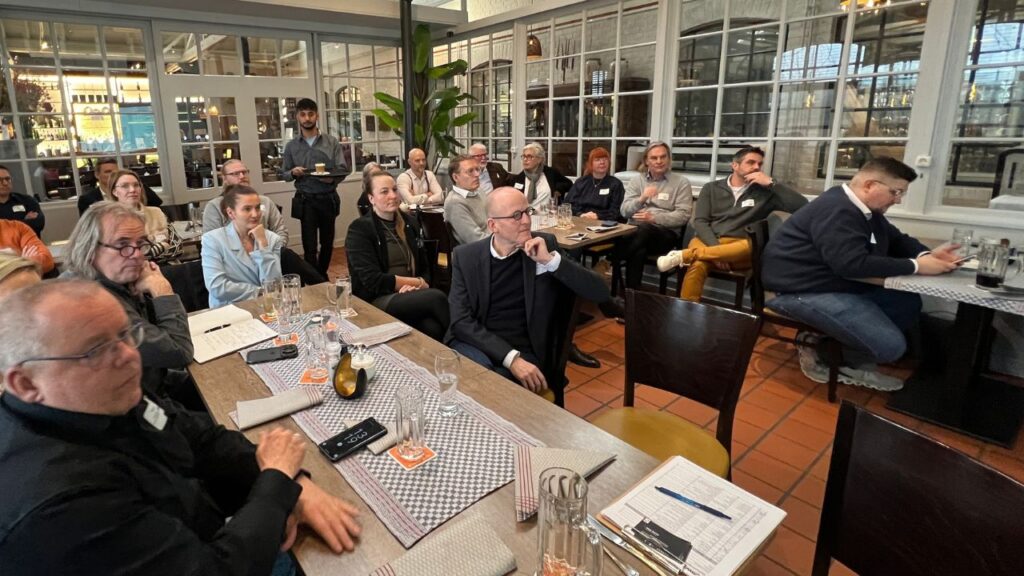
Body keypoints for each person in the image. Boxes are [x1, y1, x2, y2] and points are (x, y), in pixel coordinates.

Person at [0, 281, 362, 575]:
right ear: (26, 383)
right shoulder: (60, 506)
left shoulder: (104, 398)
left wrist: (292, 483)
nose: (130, 356)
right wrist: (275, 485)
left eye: (125, 335)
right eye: (95, 351)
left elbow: (202, 440)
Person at [762, 157, 959, 391]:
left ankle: (836, 348)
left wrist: (927, 255)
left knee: (907, 302)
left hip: (827, 282)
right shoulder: (837, 209)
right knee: (891, 347)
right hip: (795, 290)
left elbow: (897, 239)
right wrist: (916, 266)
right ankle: (823, 351)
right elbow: (851, 265)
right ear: (869, 185)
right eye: (895, 192)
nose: (898, 199)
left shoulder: (863, 209)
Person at [446, 187, 609, 392]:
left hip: (526, 351)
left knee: (490, 387)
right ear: (493, 225)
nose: (526, 221)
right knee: (475, 379)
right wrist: (510, 358)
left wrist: (549, 261)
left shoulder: (545, 246)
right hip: (477, 344)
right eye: (516, 215)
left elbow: (600, 292)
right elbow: (460, 320)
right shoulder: (466, 256)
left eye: (527, 211)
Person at [61, 202, 194, 400]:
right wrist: (163, 292)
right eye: (122, 245)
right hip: (133, 405)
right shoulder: (90, 301)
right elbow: (179, 352)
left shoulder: (116, 279)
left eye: (140, 244)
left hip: (151, 386)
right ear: (90, 248)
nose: (137, 255)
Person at [656, 146, 808, 302]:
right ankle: (688, 309)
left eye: (759, 164)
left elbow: (802, 206)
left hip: (739, 246)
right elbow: (701, 222)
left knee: (750, 246)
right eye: (751, 162)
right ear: (735, 165)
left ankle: (684, 255)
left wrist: (771, 183)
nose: (756, 167)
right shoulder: (711, 188)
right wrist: (717, 251)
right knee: (699, 264)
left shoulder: (765, 193)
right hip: (708, 240)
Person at [346, 172, 450, 342]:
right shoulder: (360, 229)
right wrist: (417, 283)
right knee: (437, 297)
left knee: (432, 328)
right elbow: (372, 280)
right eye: (384, 191)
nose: (393, 196)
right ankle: (462, 341)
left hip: (412, 294)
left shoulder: (410, 223)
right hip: (376, 299)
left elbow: (425, 267)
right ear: (371, 198)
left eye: (394, 190)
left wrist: (416, 285)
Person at [203, 160, 324, 286]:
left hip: (269, 254)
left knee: (288, 257)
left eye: (244, 172)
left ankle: (321, 286)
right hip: (234, 264)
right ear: (224, 178)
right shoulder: (214, 207)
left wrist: (270, 250)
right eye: (235, 173)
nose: (242, 176)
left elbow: (281, 231)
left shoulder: (265, 201)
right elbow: (215, 244)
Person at [282, 98, 349, 276]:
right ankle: (314, 278)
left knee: (328, 243)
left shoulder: (331, 142)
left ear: (317, 116)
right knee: (309, 245)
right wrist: (292, 172)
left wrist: (331, 179)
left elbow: (342, 169)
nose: (307, 118)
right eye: (303, 114)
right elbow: (284, 174)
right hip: (306, 200)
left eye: (310, 114)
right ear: (297, 117)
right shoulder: (291, 146)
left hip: (328, 198)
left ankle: (321, 274)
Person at [615, 141, 693, 290]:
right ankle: (632, 294)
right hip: (637, 234)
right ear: (646, 161)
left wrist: (653, 218)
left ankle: (614, 257)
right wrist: (642, 199)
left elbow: (683, 216)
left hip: (665, 235)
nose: (659, 161)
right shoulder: (637, 181)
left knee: (644, 229)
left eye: (663, 157)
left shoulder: (681, 183)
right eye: (654, 158)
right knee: (639, 250)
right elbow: (624, 211)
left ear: (669, 159)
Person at [202, 184, 284, 308]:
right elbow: (217, 287)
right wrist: (259, 292)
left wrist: (263, 246)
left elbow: (274, 286)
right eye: (247, 209)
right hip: (228, 311)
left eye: (257, 208)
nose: (255, 214)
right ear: (231, 213)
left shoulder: (272, 239)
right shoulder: (213, 240)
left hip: (266, 308)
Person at [108, 169, 176, 258]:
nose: (132, 190)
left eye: (136, 185)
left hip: (166, 261)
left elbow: (171, 243)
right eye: (125, 186)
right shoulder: (108, 220)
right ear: (114, 192)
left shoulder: (156, 212)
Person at [77, 157, 162, 215]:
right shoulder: (87, 199)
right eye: (108, 172)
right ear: (97, 175)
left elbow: (157, 205)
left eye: (115, 171)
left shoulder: (137, 188)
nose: (113, 174)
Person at [562, 147, 625, 222]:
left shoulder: (615, 184)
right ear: (590, 164)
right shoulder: (581, 182)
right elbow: (566, 205)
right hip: (580, 221)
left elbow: (616, 211)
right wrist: (581, 214)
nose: (602, 162)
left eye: (605, 159)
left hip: (604, 223)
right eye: (597, 160)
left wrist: (598, 216)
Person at [511, 142, 572, 210]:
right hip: (527, 214)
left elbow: (568, 184)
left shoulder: (550, 173)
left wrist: (557, 190)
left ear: (540, 159)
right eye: (524, 156)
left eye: (529, 157)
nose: (525, 160)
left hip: (547, 213)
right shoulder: (519, 178)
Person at [443, 154, 488, 245]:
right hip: (479, 249)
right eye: (470, 171)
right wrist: (504, 241)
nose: (477, 174)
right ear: (456, 177)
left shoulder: (479, 191)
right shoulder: (455, 202)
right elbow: (475, 239)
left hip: (494, 240)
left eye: (477, 169)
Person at [0, 164, 45, 236]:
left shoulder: (27, 200)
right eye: (0, 180)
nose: (5, 183)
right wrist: (25, 221)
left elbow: (38, 223)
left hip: (29, 242)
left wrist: (6, 227)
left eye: (8, 179)